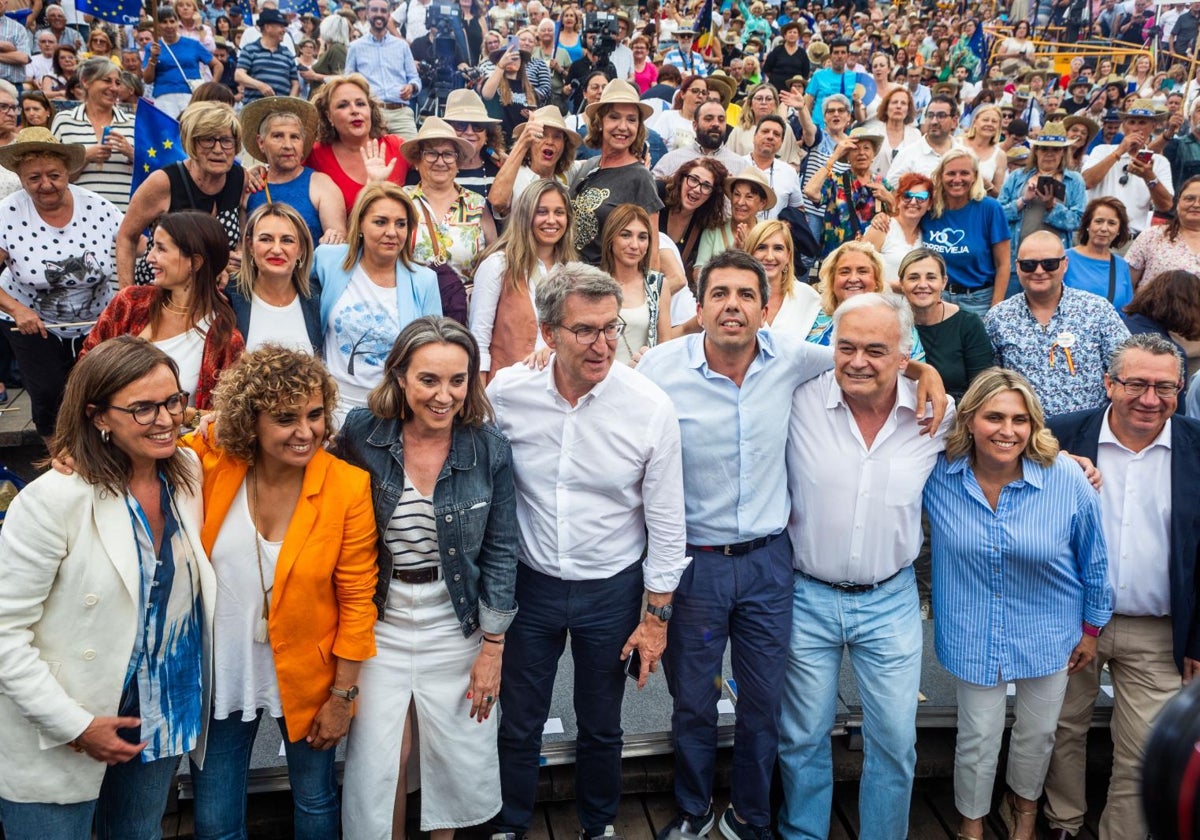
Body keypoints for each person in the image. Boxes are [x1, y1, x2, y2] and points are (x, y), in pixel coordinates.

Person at [636, 250, 948, 840]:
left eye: (746, 295)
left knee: (764, 708)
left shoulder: (795, 360)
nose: (733, 305)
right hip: (695, 567)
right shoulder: (658, 367)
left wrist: (920, 371)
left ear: (766, 306)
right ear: (698, 307)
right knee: (694, 702)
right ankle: (693, 808)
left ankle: (753, 814)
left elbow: (869, 351)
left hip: (769, 567)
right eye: (720, 293)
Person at [488, 263, 686, 840]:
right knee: (519, 720)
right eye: (585, 331)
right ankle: (510, 825)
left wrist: (656, 617)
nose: (603, 344)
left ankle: (599, 826)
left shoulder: (649, 406)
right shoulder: (508, 393)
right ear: (548, 334)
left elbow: (667, 523)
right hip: (531, 584)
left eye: (611, 328)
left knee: (602, 722)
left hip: (612, 589)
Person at [0, 335, 214, 840]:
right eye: (142, 408)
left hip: (160, 709)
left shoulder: (186, 472)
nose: (165, 419)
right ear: (98, 416)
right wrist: (73, 724)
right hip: (66, 719)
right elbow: (5, 632)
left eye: (172, 401)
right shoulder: (54, 500)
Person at [331, 316, 519, 838]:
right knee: (383, 756)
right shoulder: (361, 433)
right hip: (381, 618)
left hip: (454, 619)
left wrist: (493, 647)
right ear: (400, 377)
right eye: (429, 380)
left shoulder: (487, 448)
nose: (444, 395)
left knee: (455, 756)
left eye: (457, 380)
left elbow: (503, 551)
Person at [780, 292, 954, 840]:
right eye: (846, 346)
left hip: (890, 599)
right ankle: (805, 832)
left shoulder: (937, 416)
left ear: (905, 355)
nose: (857, 361)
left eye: (876, 350)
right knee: (803, 736)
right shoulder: (797, 397)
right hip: (806, 594)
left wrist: (1073, 461)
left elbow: (1010, 436)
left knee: (895, 741)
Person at [187, 347, 377, 839]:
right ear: (249, 421)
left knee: (315, 801)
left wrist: (343, 695)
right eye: (285, 418)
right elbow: (141, 441)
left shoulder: (347, 486)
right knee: (213, 818)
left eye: (315, 415)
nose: (306, 431)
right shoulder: (211, 462)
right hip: (223, 667)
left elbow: (359, 600)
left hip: (312, 675)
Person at [924, 368, 1112, 840]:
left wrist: (1092, 631)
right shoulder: (936, 476)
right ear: (968, 420)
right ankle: (971, 821)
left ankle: (1023, 809)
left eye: (1020, 419)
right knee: (977, 738)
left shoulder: (1066, 477)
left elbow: (1095, 558)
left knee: (1038, 734)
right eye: (994, 417)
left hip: (1050, 631)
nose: (1008, 431)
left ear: (1033, 426)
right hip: (972, 630)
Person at [1043, 333, 1200, 840]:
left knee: (1145, 749)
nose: (1150, 399)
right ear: (1108, 383)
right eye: (1135, 383)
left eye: (1164, 387)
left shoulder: (1198, 449)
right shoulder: (1059, 438)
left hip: (1160, 631)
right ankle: (1062, 823)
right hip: (1070, 621)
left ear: (1181, 389)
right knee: (1059, 730)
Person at [0, 127, 119, 444]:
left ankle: (101, 456)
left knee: (99, 390)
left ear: (69, 171)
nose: (45, 185)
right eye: (33, 178)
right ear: (21, 179)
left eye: (54, 175)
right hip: (29, 319)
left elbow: (136, 243)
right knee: (49, 392)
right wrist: (16, 310)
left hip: (94, 317)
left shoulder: (99, 207)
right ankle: (58, 463)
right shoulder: (8, 213)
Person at [84, 211, 243, 414]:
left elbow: (226, 418)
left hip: (177, 442)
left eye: (161, 249)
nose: (150, 258)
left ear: (194, 262)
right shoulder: (131, 302)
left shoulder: (225, 339)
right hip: (111, 438)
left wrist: (182, 416)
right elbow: (86, 364)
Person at [314, 183, 441, 423]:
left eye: (400, 224)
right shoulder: (328, 259)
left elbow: (432, 351)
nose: (392, 232)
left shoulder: (424, 280)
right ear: (360, 224)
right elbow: (286, 280)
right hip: (330, 406)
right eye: (380, 222)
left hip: (390, 411)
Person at [985, 231, 1131, 416]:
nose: (1039, 271)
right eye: (1029, 265)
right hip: (1025, 435)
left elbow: (1125, 369)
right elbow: (990, 381)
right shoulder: (998, 318)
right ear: (1018, 267)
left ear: (1065, 264)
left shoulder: (1097, 310)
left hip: (1085, 432)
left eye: (1049, 263)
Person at [118, 102, 245, 288]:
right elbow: (127, 237)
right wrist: (127, 296)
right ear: (191, 143)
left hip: (210, 293)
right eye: (208, 140)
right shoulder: (164, 182)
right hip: (158, 291)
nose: (218, 149)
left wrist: (233, 257)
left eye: (226, 141)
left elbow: (240, 237)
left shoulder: (239, 178)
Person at [470, 179, 576, 379]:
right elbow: (479, 341)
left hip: (558, 388)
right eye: (542, 212)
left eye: (559, 212)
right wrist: (481, 401)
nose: (551, 220)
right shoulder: (498, 265)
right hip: (508, 389)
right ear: (526, 215)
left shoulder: (572, 271)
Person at [570, 79, 663, 265]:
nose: (623, 126)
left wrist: (647, 293)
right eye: (614, 117)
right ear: (600, 121)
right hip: (568, 278)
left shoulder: (641, 177)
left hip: (604, 287)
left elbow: (651, 253)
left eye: (631, 119)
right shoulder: (590, 166)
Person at [403, 116, 497, 290]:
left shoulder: (477, 204)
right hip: (413, 305)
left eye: (448, 154)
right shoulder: (402, 201)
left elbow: (495, 263)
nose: (440, 161)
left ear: (458, 162)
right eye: (431, 153)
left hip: (463, 310)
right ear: (417, 161)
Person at [242, 97, 347, 247]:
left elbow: (338, 242)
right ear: (261, 142)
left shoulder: (321, 185)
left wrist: (334, 238)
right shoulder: (250, 185)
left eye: (295, 137)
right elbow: (242, 245)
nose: (288, 145)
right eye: (277, 136)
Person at [922, 148, 1011, 315]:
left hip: (978, 302)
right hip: (935, 299)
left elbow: (1004, 264)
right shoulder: (929, 209)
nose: (957, 179)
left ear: (975, 176)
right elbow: (901, 216)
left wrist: (996, 308)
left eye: (964, 173)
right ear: (941, 176)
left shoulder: (990, 209)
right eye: (951, 173)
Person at [306, 74, 409, 213]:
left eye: (360, 104)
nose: (355, 110)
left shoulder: (397, 147)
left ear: (370, 109)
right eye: (343, 105)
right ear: (329, 116)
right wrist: (264, 173)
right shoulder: (315, 154)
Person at [806, 241, 926, 361]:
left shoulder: (898, 322)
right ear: (832, 281)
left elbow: (916, 375)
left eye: (862, 271)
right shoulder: (811, 318)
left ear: (877, 281)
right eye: (845, 272)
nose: (853, 278)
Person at [899, 248, 993, 400]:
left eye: (931, 278)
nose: (922, 284)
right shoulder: (892, 325)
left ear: (943, 282)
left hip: (957, 415)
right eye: (913, 278)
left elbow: (983, 388)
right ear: (901, 283)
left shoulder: (968, 325)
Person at [228, 203, 322, 354]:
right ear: (250, 246)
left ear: (301, 250)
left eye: (287, 240)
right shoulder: (228, 296)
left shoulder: (318, 298)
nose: (277, 250)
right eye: (266, 239)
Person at [999, 122, 1088, 275]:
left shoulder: (1074, 180)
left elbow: (1079, 220)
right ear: (1036, 151)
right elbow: (998, 214)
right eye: (1044, 148)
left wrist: (1051, 206)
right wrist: (1023, 201)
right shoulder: (1017, 176)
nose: (1049, 153)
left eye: (1056, 149)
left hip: (1054, 264)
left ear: (1063, 152)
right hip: (1017, 259)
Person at [49, 57, 134, 211]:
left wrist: (131, 153)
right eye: (107, 80)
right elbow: (52, 173)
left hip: (126, 216)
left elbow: (150, 172)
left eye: (117, 83)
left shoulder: (134, 122)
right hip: (79, 216)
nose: (114, 88)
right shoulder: (64, 121)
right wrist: (86, 157)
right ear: (86, 82)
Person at [1082, 101, 1174, 237]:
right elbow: (1086, 182)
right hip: (1095, 233)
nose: (1136, 128)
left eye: (1142, 123)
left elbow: (1166, 205)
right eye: (1131, 122)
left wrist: (1149, 176)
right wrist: (1119, 152)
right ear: (1123, 126)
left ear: (1153, 126)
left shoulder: (1160, 162)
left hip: (1131, 237)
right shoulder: (1101, 150)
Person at [599, 203, 673, 363]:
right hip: (599, 379)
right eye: (626, 235)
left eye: (642, 237)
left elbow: (665, 347)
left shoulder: (658, 284)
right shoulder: (592, 283)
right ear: (611, 238)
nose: (634, 245)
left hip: (640, 379)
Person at [804, 125, 890, 258]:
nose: (861, 153)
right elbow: (810, 191)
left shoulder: (882, 184)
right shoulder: (835, 180)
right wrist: (834, 156)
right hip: (836, 258)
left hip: (869, 260)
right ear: (847, 156)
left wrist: (889, 200)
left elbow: (899, 216)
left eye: (866, 148)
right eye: (855, 149)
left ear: (873, 155)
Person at [344, 0, 420, 139]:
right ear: (367, 13)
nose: (379, 14)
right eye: (374, 10)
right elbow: (348, 82)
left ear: (389, 15)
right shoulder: (355, 47)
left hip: (401, 113)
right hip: (371, 113)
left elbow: (415, 78)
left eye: (383, 11)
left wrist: (411, 87)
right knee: (372, 156)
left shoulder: (402, 46)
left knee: (414, 155)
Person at [487, 104, 579, 218]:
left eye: (557, 137)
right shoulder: (514, 176)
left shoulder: (565, 177)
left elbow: (591, 163)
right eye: (541, 135)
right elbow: (497, 202)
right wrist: (522, 143)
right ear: (529, 142)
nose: (550, 141)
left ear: (565, 145)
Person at [745, 219, 821, 336]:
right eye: (761, 247)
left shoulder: (808, 297)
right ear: (749, 253)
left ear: (788, 255)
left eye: (778, 248)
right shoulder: (734, 296)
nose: (770, 257)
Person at [143, 7, 222, 119]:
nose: (169, 25)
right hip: (164, 98)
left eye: (172, 21)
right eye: (164, 22)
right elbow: (147, 79)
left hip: (191, 96)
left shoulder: (193, 44)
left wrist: (211, 87)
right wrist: (153, 59)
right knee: (168, 134)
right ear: (158, 25)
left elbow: (218, 65)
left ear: (177, 22)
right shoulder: (152, 47)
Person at [660, 157, 730, 284]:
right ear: (682, 179)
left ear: (712, 195)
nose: (697, 189)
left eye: (706, 186)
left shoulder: (703, 223)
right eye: (693, 180)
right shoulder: (658, 193)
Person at [862, 172, 935, 286]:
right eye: (907, 196)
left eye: (921, 197)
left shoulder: (928, 234)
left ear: (930, 204)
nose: (913, 202)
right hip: (882, 301)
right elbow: (859, 271)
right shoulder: (882, 228)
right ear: (898, 200)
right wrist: (890, 286)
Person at [1127, 174, 1200, 287]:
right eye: (1189, 198)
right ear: (1178, 203)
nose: (1196, 204)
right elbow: (1125, 284)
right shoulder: (1152, 236)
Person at [1064, 197, 1134, 310]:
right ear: (1088, 225)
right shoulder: (1065, 259)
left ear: (1119, 230)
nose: (1104, 228)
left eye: (1111, 223)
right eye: (1098, 221)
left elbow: (1126, 310)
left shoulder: (1121, 265)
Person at [652, 99, 747, 180]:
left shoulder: (740, 165)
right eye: (708, 119)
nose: (716, 124)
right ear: (695, 125)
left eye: (721, 120)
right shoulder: (671, 160)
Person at [440, 89, 505, 201]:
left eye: (477, 125)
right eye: (461, 125)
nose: (470, 132)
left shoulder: (500, 168)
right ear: (447, 129)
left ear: (487, 133)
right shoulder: (434, 169)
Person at [739, 115, 804, 220]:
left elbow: (798, 209)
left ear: (781, 143)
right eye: (765, 131)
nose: (770, 137)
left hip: (774, 234)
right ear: (754, 137)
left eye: (776, 134)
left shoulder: (789, 172)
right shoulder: (737, 165)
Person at [887, 95, 960, 182]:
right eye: (930, 115)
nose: (934, 121)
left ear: (954, 121)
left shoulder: (963, 153)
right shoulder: (908, 155)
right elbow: (890, 190)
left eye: (941, 116)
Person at [234, 7, 298, 104]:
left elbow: (295, 83)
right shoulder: (250, 50)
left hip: (280, 112)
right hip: (254, 108)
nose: (284, 30)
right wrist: (260, 86)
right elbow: (239, 75)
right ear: (268, 27)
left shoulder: (287, 54)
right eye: (280, 26)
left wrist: (289, 102)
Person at [863, 86, 920, 183]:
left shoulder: (916, 135)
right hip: (875, 189)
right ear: (886, 108)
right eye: (894, 102)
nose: (898, 106)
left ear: (908, 109)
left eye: (903, 103)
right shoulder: (872, 133)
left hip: (905, 191)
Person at [956, 103, 1007, 197]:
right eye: (985, 120)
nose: (989, 124)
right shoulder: (957, 143)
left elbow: (999, 195)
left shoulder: (1000, 155)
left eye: (994, 121)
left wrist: (988, 186)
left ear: (998, 127)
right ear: (975, 122)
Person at [762, 20, 809, 94]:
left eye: (795, 32)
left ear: (798, 36)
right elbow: (767, 69)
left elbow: (805, 74)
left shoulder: (802, 53)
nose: (792, 34)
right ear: (784, 35)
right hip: (776, 88)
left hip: (794, 90)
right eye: (789, 32)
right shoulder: (777, 50)